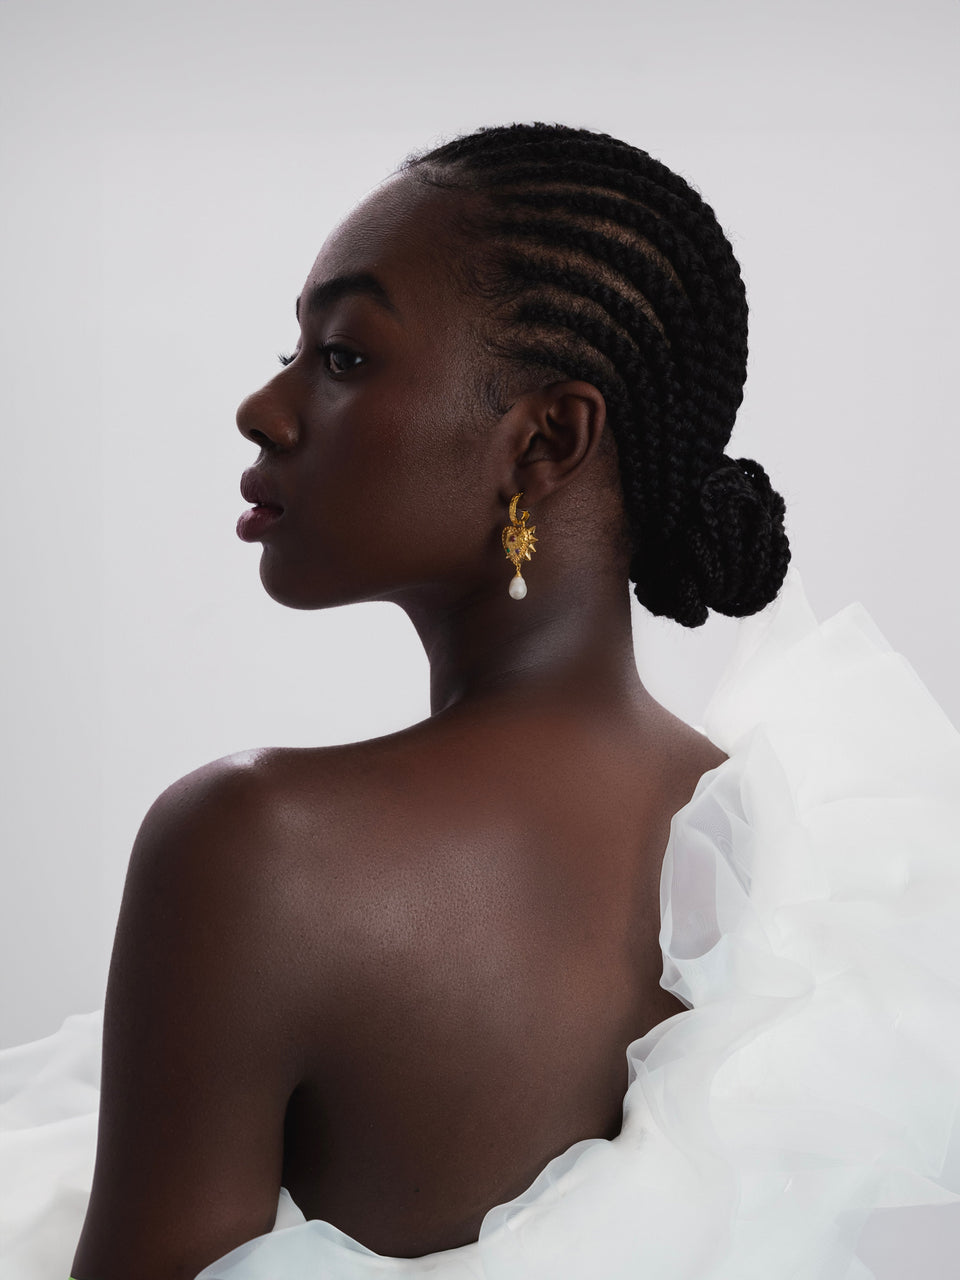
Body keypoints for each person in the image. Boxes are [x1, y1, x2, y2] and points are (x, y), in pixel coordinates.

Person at [2, 122, 958, 1280]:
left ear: (547, 436)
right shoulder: (796, 859)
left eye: (344, 356)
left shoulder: (256, 848)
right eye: (293, 348)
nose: (265, 406)